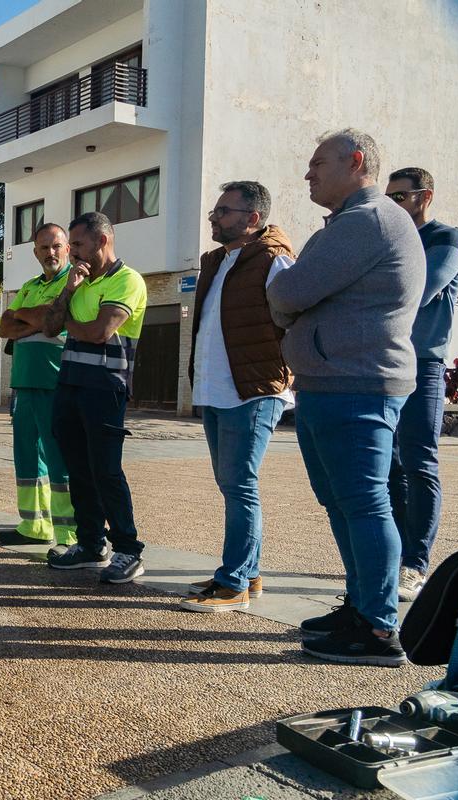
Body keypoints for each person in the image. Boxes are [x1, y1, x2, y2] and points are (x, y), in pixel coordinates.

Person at [267, 129, 424, 666]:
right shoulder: (354, 224)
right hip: (336, 382)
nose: (308, 173)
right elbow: (298, 295)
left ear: (355, 162)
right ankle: (362, 608)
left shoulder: (367, 221)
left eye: (317, 163)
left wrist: (290, 309)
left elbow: (287, 293)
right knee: (345, 503)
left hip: (357, 383)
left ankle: (378, 630)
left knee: (363, 502)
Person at [181, 182, 295, 613]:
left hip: (254, 390)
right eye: (214, 210)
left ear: (253, 218)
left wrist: (284, 374)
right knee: (232, 485)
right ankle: (249, 572)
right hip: (216, 389)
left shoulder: (273, 259)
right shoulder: (217, 261)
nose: (213, 217)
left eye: (224, 211)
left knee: (240, 485)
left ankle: (233, 583)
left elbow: (293, 317)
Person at [43, 212, 148, 583]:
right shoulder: (80, 282)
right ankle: (91, 544)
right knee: (79, 470)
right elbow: (49, 325)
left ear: (102, 241)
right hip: (70, 385)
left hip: (106, 388)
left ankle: (128, 550)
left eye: (80, 245)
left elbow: (100, 332)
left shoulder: (127, 280)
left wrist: (71, 323)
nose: (73, 254)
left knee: (106, 470)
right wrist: (69, 290)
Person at [384, 167, 458, 602]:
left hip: (424, 366)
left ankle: (416, 564)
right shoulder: (390, 239)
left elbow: (420, 289)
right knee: (390, 466)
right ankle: (394, 555)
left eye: (399, 198)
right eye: (387, 198)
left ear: (424, 197)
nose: (390, 206)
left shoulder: (447, 239)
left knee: (419, 463)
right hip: (384, 364)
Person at [0, 222, 76, 551]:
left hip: (54, 380)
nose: (50, 252)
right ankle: (34, 524)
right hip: (24, 383)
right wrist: (35, 318)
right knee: (27, 456)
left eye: (56, 246)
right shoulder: (28, 285)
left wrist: (26, 318)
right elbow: (4, 326)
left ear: (67, 248)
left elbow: (52, 319)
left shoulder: (74, 283)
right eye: (43, 247)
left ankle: (70, 535)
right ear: (35, 252)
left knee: (58, 458)